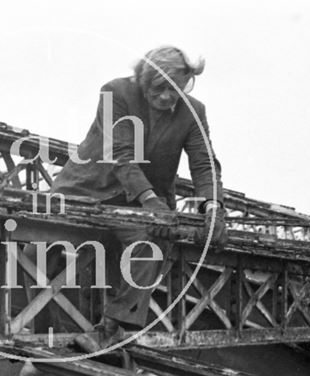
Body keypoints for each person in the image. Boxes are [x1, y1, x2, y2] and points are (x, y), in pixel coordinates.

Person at [48, 46, 228, 352]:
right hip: (87, 190)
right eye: (161, 89)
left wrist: (213, 207)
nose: (169, 98)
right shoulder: (115, 93)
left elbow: (203, 163)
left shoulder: (193, 111)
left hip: (136, 203)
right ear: (144, 78)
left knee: (153, 242)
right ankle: (41, 328)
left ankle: (108, 330)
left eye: (177, 90)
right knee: (41, 244)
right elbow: (120, 154)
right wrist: (151, 202)